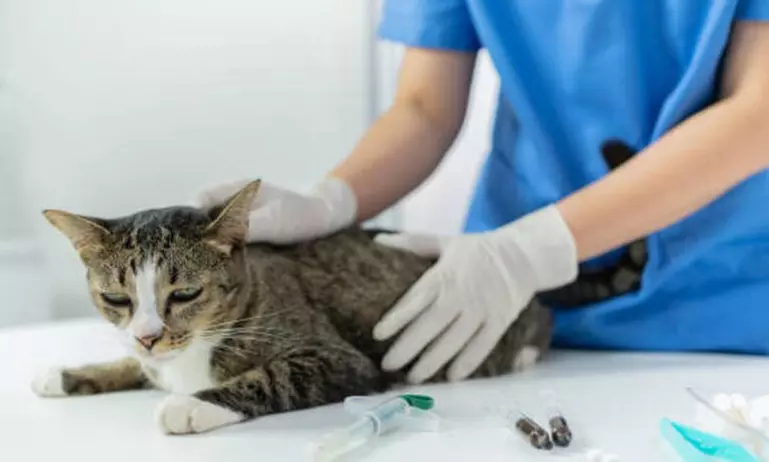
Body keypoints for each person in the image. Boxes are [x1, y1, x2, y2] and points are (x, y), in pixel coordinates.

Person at [197, 2, 769, 385]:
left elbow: (758, 113)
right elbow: (424, 108)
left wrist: (528, 251)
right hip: (505, 314)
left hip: (720, 306)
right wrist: (334, 201)